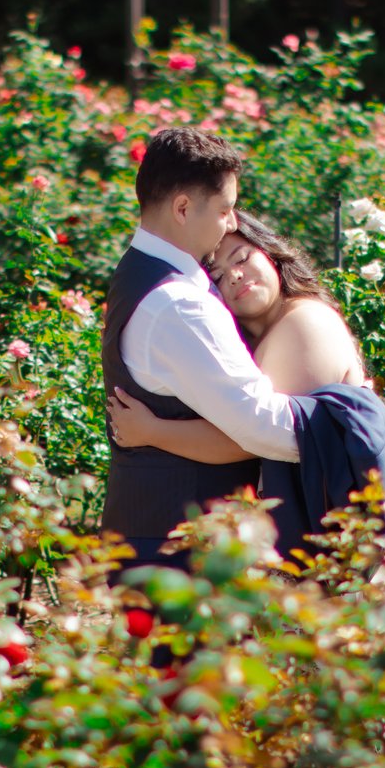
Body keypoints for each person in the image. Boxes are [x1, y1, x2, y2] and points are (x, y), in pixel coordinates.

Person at [109, 210, 385, 562]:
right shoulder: (255, 338)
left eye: (242, 258)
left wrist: (152, 431)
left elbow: (254, 434)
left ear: (270, 253)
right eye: (217, 276)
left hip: (331, 547)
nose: (235, 275)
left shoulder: (303, 323)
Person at [98, 127, 303, 569]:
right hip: (179, 552)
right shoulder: (178, 304)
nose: (233, 224)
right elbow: (262, 426)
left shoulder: (138, 273)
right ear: (183, 208)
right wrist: (347, 417)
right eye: (225, 210)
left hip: (154, 538)